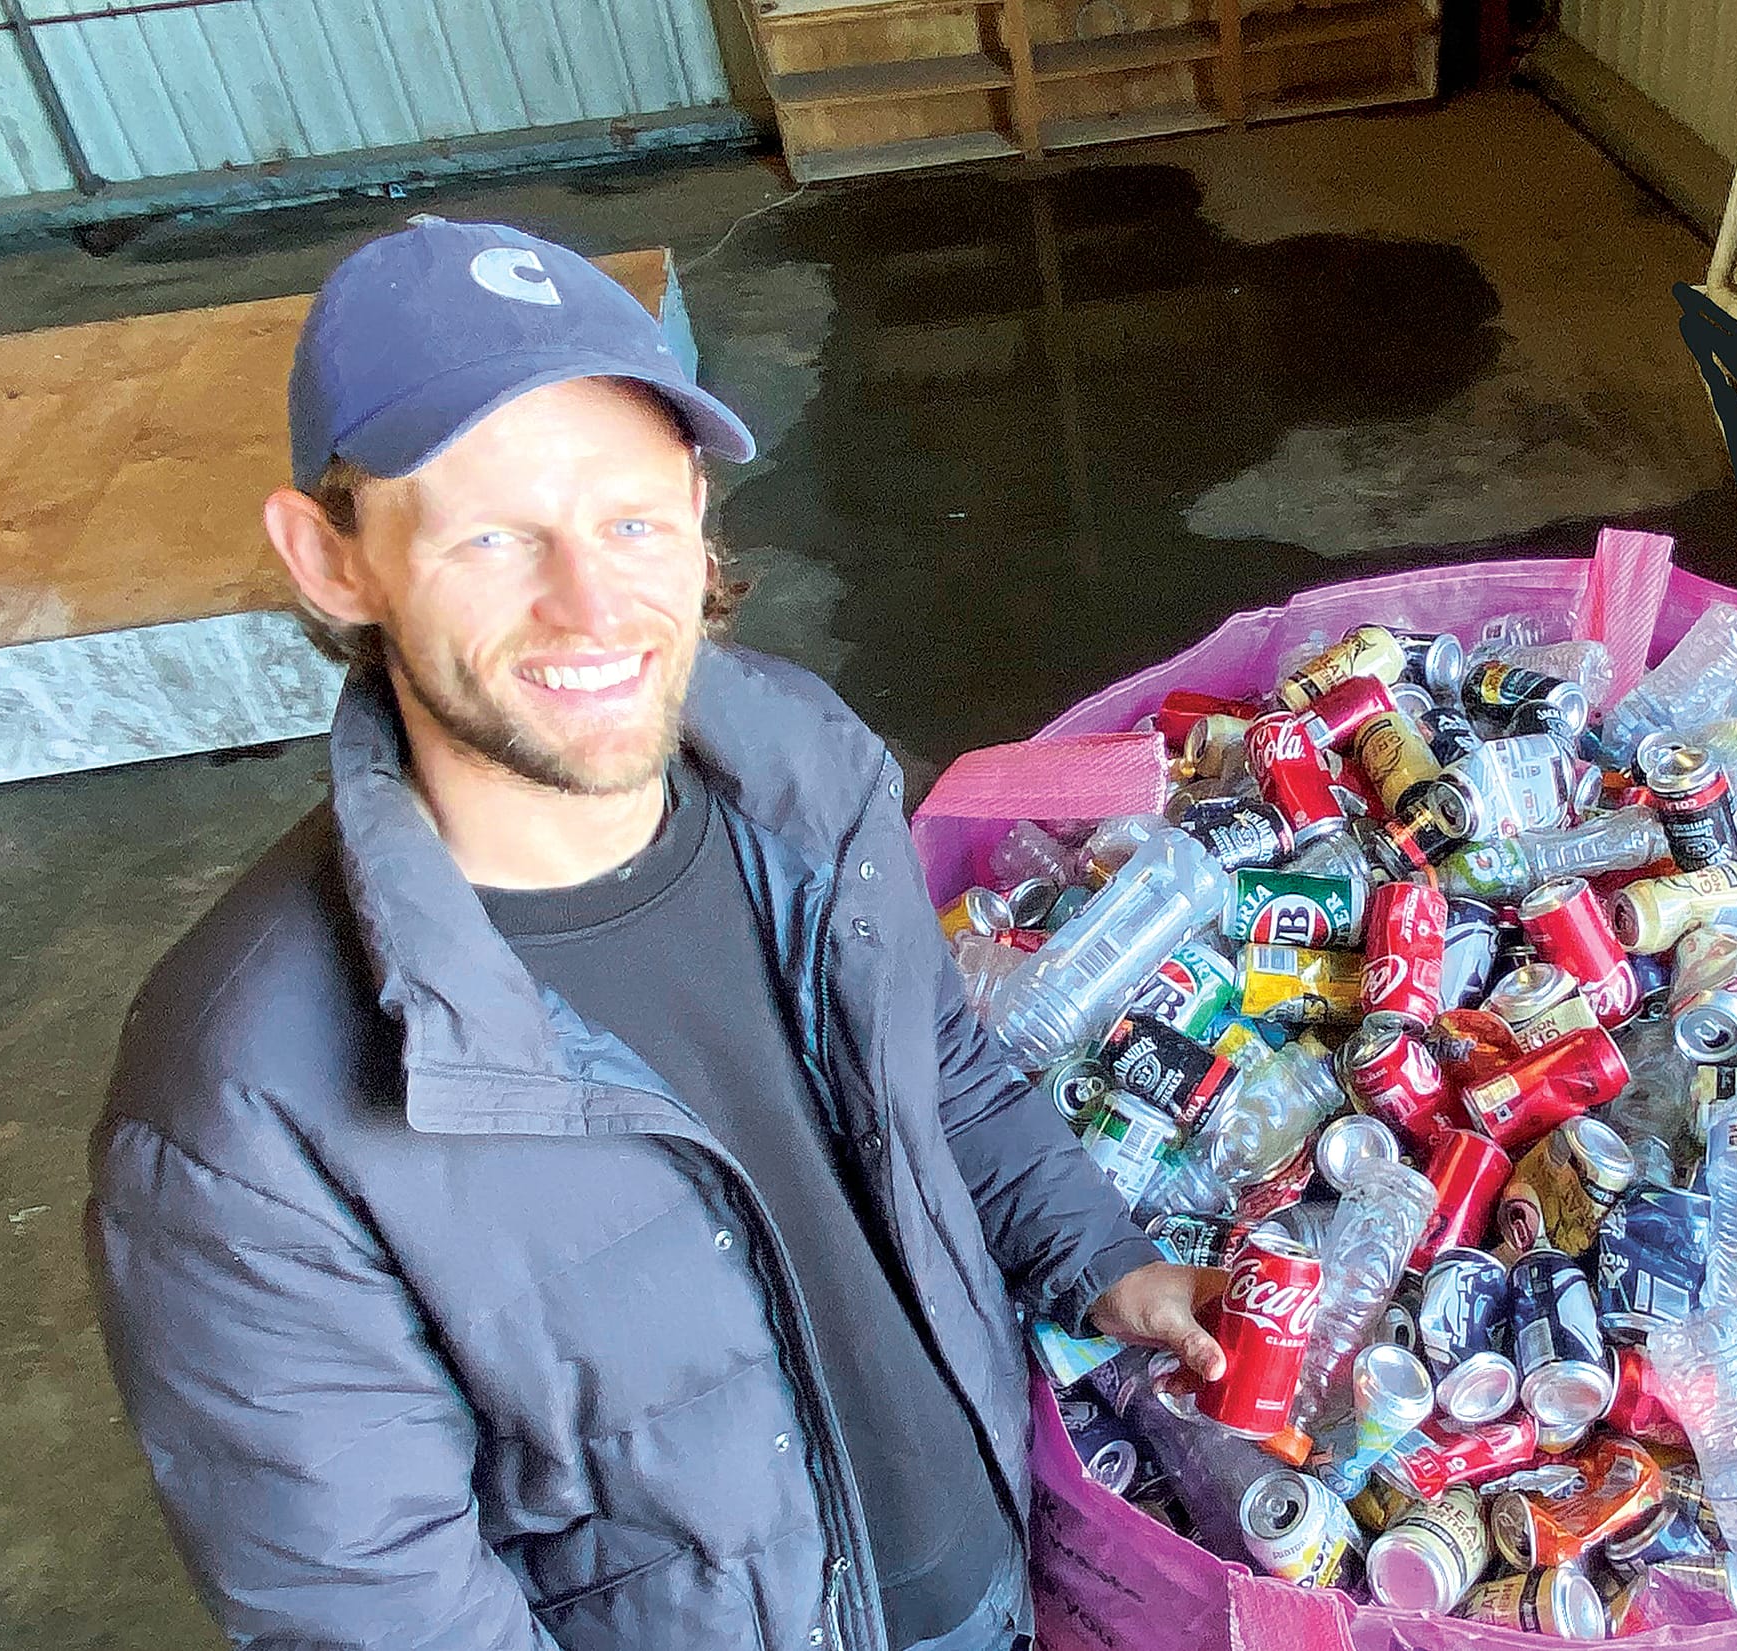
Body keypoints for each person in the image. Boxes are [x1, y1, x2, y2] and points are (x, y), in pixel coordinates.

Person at [86, 217, 1225, 1651]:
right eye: (494, 535)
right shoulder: (242, 1110)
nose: (590, 604)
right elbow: (384, 1616)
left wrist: (1105, 1262)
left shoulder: (803, 778)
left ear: (694, 506)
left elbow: (943, 1075)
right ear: (331, 561)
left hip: (1003, 1573)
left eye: (631, 518)